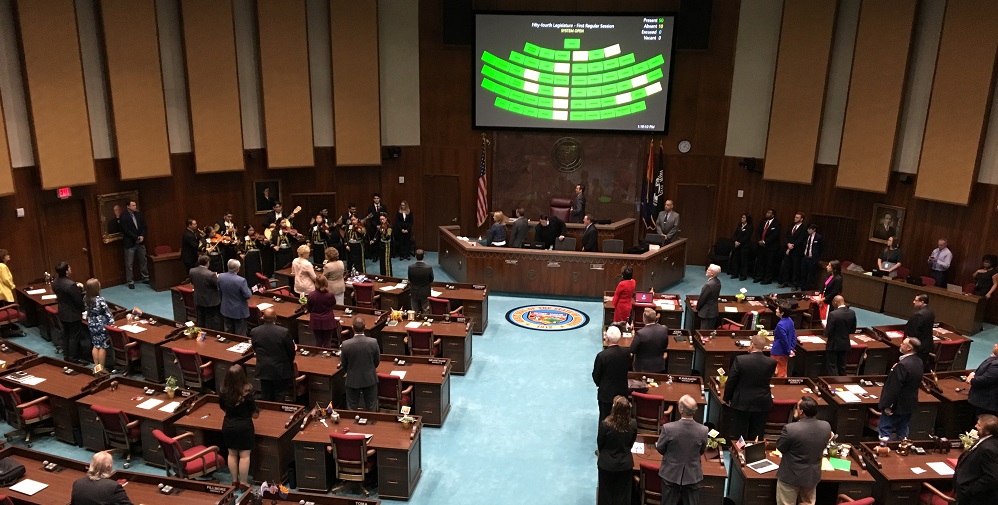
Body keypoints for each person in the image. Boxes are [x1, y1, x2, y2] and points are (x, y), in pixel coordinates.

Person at [775, 396, 832, 505]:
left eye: (797, 407)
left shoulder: (790, 429)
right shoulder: (826, 426)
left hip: (790, 476)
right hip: (812, 476)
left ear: (801, 412)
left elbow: (780, 447)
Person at [656, 395, 708, 505]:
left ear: (681, 409)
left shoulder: (668, 428)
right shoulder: (703, 430)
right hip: (692, 474)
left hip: (670, 473)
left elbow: (660, 448)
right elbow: (702, 451)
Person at [723, 334, 777, 440]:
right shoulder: (771, 362)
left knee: (740, 432)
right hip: (762, 401)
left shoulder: (740, 360)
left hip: (742, 401)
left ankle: (739, 454)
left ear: (751, 345)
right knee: (757, 432)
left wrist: (727, 398)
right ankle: (754, 454)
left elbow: (731, 381)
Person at [219, 364, 258, 491]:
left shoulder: (223, 392)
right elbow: (255, 414)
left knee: (232, 453)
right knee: (245, 455)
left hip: (228, 426)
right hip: (244, 427)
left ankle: (234, 481)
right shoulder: (247, 393)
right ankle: (244, 483)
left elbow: (223, 408)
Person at [877, 337, 923, 440]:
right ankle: (903, 450)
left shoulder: (902, 365)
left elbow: (895, 388)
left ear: (909, 348)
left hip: (896, 406)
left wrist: (889, 406)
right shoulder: (918, 361)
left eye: (903, 343)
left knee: (885, 429)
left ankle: (885, 451)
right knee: (903, 431)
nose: (901, 344)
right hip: (909, 404)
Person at [596, 395, 637, 505]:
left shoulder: (605, 425)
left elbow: (600, 444)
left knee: (606, 494)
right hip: (625, 464)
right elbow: (630, 443)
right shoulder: (632, 424)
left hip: (607, 464)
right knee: (623, 495)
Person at [249, 307, 295, 401]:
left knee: (265, 395)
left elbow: (255, 348)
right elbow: (291, 351)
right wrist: (288, 364)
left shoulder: (255, 331)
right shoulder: (283, 332)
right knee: (280, 395)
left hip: (263, 368)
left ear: (263, 317)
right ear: (275, 317)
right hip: (280, 369)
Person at [953, 414, 998, 505]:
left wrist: (970, 490)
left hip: (973, 499)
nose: (975, 426)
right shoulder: (986, 440)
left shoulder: (988, 449)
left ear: (988, 430)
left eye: (979, 425)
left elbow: (992, 477)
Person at [592, 326, 630, 422]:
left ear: (607, 339)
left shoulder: (602, 356)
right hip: (622, 393)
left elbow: (596, 376)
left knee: (605, 420)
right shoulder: (626, 353)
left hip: (606, 395)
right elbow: (628, 368)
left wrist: (601, 384)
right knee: (621, 420)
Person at [341, 317, 380, 411]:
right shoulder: (373, 342)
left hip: (352, 379)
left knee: (351, 408)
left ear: (352, 328)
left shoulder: (346, 344)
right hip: (369, 379)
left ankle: (351, 426)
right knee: (371, 407)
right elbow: (377, 361)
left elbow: (344, 364)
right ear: (365, 327)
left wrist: (350, 370)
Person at [54, 262, 86, 363]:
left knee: (66, 334)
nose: (71, 268)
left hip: (62, 312)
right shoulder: (71, 285)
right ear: (66, 271)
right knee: (73, 337)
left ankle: (66, 356)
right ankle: (73, 358)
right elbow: (78, 301)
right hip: (73, 314)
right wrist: (83, 310)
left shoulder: (55, 282)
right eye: (69, 267)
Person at [84, 279, 112, 374]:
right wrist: (112, 323)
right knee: (102, 346)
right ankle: (102, 368)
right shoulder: (100, 300)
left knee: (95, 345)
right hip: (101, 325)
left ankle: (96, 367)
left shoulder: (86, 298)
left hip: (92, 324)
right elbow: (107, 313)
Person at [119, 200, 149, 289]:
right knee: (129, 263)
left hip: (141, 241)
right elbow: (125, 230)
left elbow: (144, 226)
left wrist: (142, 236)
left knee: (143, 260)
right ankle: (130, 281)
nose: (135, 207)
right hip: (130, 243)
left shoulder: (138, 215)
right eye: (133, 205)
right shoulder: (123, 217)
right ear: (128, 206)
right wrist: (136, 237)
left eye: (135, 205)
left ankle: (145, 277)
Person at [824, 295, 856, 376]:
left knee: (832, 367)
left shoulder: (833, 314)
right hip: (845, 343)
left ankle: (834, 385)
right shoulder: (852, 313)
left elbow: (828, 332)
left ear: (835, 302)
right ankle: (842, 383)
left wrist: (825, 329)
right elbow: (853, 330)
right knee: (842, 366)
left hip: (833, 344)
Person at [630, 308, 669, 374]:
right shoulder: (664, 329)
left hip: (642, 368)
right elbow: (665, 345)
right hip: (658, 366)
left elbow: (632, 350)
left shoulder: (640, 333)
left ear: (644, 319)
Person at [219, 259, 252, 336]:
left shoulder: (220, 276)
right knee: (240, 334)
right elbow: (248, 295)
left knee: (228, 333)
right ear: (237, 269)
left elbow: (219, 291)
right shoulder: (241, 280)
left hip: (225, 308)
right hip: (239, 311)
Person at [190, 255, 222, 331]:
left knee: (200, 318)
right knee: (209, 319)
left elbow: (192, 282)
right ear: (207, 263)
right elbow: (218, 285)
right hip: (210, 301)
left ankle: (200, 332)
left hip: (198, 299)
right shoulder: (211, 274)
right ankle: (208, 334)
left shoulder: (192, 271)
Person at [306, 276, 339, 348]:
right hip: (328, 321)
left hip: (316, 321)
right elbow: (333, 304)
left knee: (318, 342)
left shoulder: (311, 295)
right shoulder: (330, 295)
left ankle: (318, 359)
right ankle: (327, 358)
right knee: (327, 342)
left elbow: (309, 308)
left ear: (316, 283)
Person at [966, 344, 998, 416]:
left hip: (986, 404)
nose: (995, 345)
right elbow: (983, 368)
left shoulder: (997, 365)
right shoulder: (994, 358)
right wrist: (973, 373)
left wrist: (971, 380)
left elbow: (985, 380)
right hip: (982, 400)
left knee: (980, 423)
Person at [778, 212, 807, 289]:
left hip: (797, 251)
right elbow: (786, 236)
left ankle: (795, 284)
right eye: (795, 217)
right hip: (788, 249)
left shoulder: (803, 228)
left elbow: (801, 239)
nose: (795, 218)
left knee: (795, 268)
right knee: (786, 266)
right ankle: (785, 282)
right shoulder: (791, 226)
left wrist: (792, 245)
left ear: (801, 219)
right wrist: (788, 244)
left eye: (797, 217)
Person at [905, 294, 935, 366]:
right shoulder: (930, 312)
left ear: (922, 302)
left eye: (916, 300)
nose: (913, 302)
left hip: (919, 346)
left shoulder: (919, 315)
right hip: (927, 344)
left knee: (914, 365)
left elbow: (914, 331)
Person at [753, 209, 781, 285]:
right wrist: (759, 240)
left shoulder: (777, 223)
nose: (767, 214)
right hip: (761, 246)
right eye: (767, 212)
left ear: (773, 215)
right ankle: (759, 276)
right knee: (760, 262)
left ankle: (767, 279)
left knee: (769, 263)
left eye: (769, 213)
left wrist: (765, 241)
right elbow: (758, 231)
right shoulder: (763, 221)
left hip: (771, 247)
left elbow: (774, 235)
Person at [771, 302, 797, 378]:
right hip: (785, 352)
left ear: (782, 313)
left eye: (778, 309)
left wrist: (788, 351)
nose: (776, 310)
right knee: (783, 370)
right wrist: (791, 348)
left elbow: (784, 340)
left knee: (778, 374)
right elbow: (794, 335)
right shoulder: (790, 321)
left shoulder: (780, 325)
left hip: (778, 353)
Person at [729, 213, 753, 280]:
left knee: (743, 262)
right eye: (742, 217)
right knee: (736, 260)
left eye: (744, 217)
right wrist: (736, 241)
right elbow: (735, 234)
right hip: (737, 246)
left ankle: (743, 275)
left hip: (744, 246)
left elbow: (747, 237)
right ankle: (735, 274)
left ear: (747, 219)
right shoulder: (739, 225)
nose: (742, 218)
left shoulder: (750, 227)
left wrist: (740, 242)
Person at [408, 249, 434, 313]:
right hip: (425, 292)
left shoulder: (411, 268)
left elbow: (410, 279)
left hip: (414, 292)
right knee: (426, 312)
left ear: (415, 256)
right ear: (424, 256)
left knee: (414, 312)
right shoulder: (428, 268)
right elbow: (431, 279)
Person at [696, 264, 721, 330]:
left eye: (708, 270)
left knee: (704, 334)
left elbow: (702, 299)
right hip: (713, 311)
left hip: (707, 313)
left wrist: (697, 308)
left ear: (712, 274)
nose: (706, 271)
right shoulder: (718, 282)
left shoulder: (708, 285)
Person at [799, 224, 823, 290]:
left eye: (809, 229)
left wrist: (816, 258)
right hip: (805, 257)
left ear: (814, 229)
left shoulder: (819, 237)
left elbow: (821, 248)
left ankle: (808, 289)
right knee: (803, 274)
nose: (808, 230)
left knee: (811, 275)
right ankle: (802, 288)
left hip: (812, 259)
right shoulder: (806, 236)